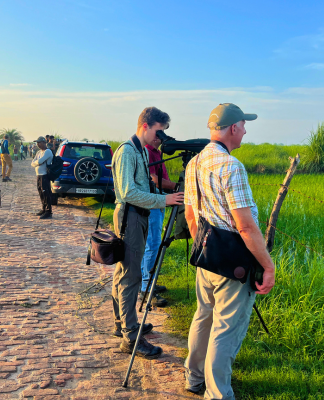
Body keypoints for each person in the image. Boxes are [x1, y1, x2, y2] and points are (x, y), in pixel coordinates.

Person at [183, 103, 276, 399]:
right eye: (244, 126)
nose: (246, 131)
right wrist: (268, 267)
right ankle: (218, 394)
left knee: (203, 317)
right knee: (225, 330)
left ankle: (194, 378)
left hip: (205, 256)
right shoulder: (232, 166)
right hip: (233, 264)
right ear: (234, 127)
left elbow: (189, 214)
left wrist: (206, 250)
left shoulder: (194, 163)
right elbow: (246, 227)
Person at [111, 107, 184, 359]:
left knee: (123, 272)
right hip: (130, 216)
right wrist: (164, 200)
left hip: (137, 215)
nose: (160, 138)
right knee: (130, 275)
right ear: (145, 125)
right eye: (158, 132)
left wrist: (160, 195)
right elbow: (128, 192)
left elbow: (143, 186)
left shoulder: (141, 150)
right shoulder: (128, 151)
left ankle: (122, 324)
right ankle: (131, 336)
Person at [139, 136, 178, 307]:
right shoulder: (146, 151)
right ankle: (146, 288)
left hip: (159, 199)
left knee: (152, 243)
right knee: (152, 244)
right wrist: (176, 186)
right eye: (158, 134)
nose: (160, 139)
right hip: (153, 202)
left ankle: (147, 281)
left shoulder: (157, 152)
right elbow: (153, 178)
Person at [30, 136, 54, 219]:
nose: (38, 144)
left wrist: (37, 162)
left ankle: (48, 211)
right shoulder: (39, 152)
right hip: (38, 175)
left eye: (39, 142)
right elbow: (32, 163)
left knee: (46, 193)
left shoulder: (47, 151)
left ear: (44, 142)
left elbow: (40, 161)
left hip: (44, 175)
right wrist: (37, 163)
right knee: (41, 192)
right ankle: (43, 209)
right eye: (37, 143)